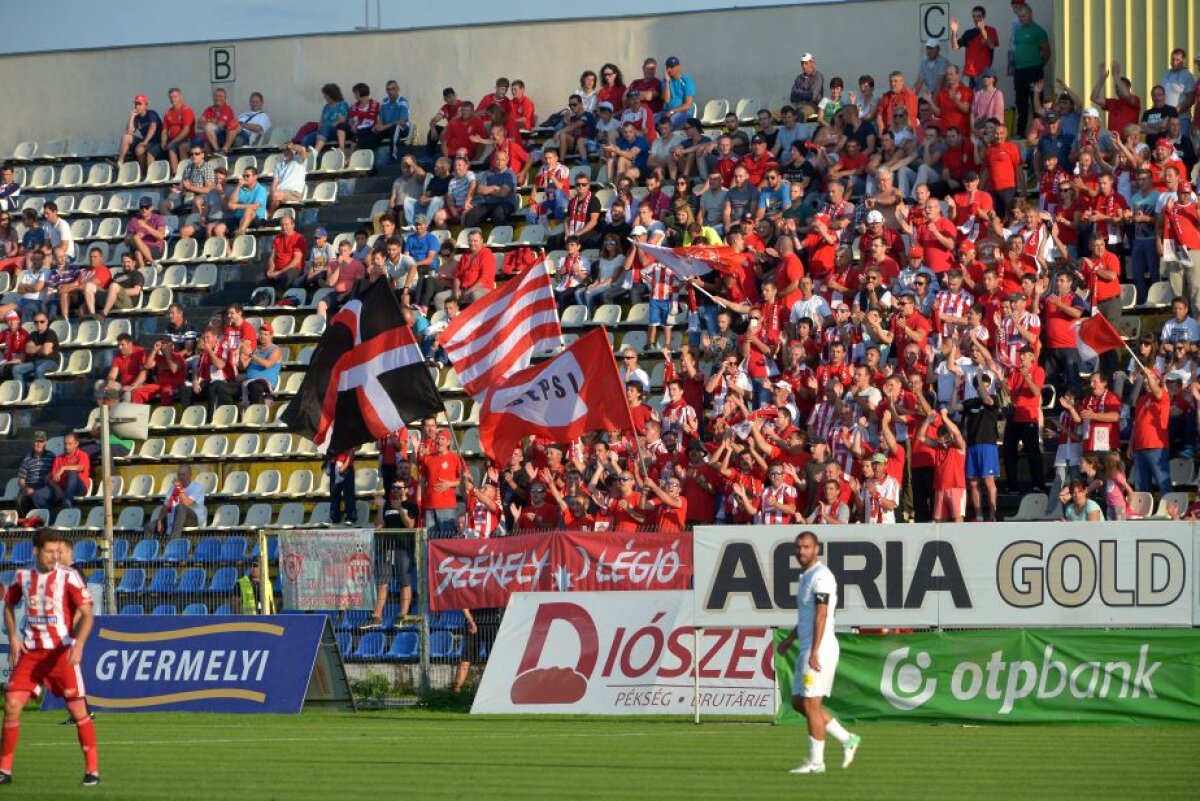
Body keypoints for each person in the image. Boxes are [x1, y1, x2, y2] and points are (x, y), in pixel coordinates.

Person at [2, 528, 99, 787]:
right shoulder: (22, 576)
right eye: (49, 552)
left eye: (58, 551)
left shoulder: (69, 577)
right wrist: (13, 637)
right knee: (11, 705)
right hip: (31, 653)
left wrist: (79, 644)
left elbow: (88, 614)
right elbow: (9, 604)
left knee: (78, 711)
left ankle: (92, 771)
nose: (55, 556)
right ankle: (4, 770)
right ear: (36, 551)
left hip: (61, 653)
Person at [777, 531, 860, 775]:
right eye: (798, 548)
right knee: (798, 702)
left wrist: (815, 651)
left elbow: (822, 614)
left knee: (811, 704)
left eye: (806, 547)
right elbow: (807, 615)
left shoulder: (822, 577)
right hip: (807, 646)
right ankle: (847, 738)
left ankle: (816, 762)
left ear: (817, 550)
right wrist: (790, 639)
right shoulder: (806, 577)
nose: (801, 552)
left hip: (819, 648)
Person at [1011, 3, 1051, 135]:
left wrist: (1038, 65)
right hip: (1019, 71)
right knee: (1020, 100)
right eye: (1019, 16)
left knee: (1036, 100)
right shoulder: (1018, 31)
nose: (1021, 19)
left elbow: (1046, 52)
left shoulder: (1038, 31)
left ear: (1030, 15)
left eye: (1023, 16)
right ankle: (1020, 131)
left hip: (1034, 70)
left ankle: (1038, 132)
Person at [30, 432, 89, 510]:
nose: (66, 446)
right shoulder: (58, 458)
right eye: (65, 444)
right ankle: (52, 517)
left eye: (69, 444)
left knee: (72, 473)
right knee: (36, 495)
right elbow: (52, 478)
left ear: (76, 444)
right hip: (62, 487)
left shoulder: (82, 455)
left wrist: (63, 468)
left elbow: (80, 467)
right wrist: (57, 489)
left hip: (79, 488)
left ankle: (66, 502)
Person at [145, 465, 206, 537]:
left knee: (181, 507)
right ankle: (152, 547)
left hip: (192, 520)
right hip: (174, 517)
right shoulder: (173, 488)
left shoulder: (197, 487)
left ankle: (174, 540)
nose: (180, 477)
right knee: (149, 526)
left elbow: (187, 502)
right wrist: (160, 520)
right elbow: (165, 506)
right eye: (179, 475)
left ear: (190, 474)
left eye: (183, 474)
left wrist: (179, 488)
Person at [115, 93, 161, 169]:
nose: (137, 106)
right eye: (136, 104)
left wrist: (145, 142)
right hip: (145, 142)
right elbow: (129, 132)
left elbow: (153, 128)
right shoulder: (137, 118)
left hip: (155, 142)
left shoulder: (151, 113)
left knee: (139, 150)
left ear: (146, 105)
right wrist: (132, 116)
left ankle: (143, 172)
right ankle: (120, 162)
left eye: (140, 104)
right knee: (126, 137)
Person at [15, 431, 54, 517]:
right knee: (20, 499)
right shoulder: (27, 459)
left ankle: (50, 519)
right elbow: (21, 480)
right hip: (29, 485)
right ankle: (26, 523)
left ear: (46, 442)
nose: (39, 444)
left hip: (45, 485)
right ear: (32, 442)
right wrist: (25, 488)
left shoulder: (52, 456)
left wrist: (51, 474)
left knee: (39, 496)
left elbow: (56, 471)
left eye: (41, 441)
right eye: (36, 441)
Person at [268, 142, 308, 215]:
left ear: (294, 150)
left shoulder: (299, 160)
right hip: (281, 192)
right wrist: (271, 194)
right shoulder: (278, 165)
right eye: (284, 150)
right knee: (265, 197)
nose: (286, 151)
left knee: (276, 195)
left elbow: (302, 150)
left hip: (294, 193)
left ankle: (269, 217)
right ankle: (270, 219)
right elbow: (274, 183)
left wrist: (291, 146)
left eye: (288, 149)